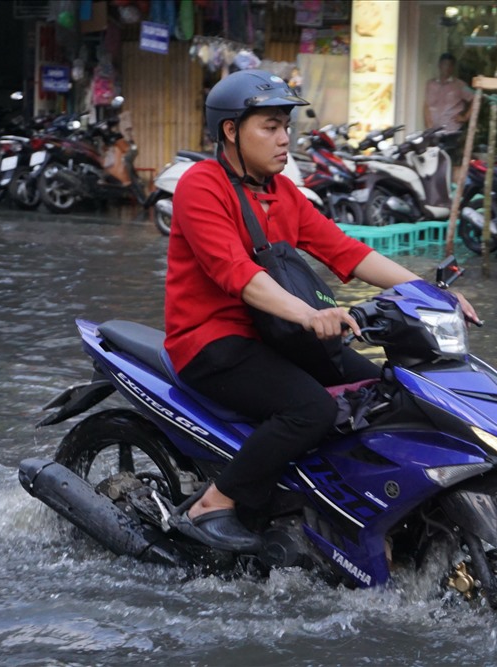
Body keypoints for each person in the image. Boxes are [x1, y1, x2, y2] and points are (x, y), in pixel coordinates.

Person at [166, 70, 478, 552]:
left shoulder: (282, 192)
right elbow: (237, 273)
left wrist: (430, 292)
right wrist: (309, 315)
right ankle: (216, 501)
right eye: (269, 127)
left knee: (383, 393)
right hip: (212, 342)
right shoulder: (200, 186)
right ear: (231, 130)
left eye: (286, 127)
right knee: (310, 408)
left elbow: (346, 251)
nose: (284, 138)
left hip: (276, 336)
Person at [423, 53, 474, 173]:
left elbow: (476, 98)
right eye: (444, 64)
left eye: (449, 65)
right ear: (439, 65)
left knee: (450, 163)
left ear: (453, 67)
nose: (446, 68)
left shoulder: (459, 85)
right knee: (433, 164)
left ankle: (451, 188)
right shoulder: (430, 84)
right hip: (433, 133)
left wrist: (465, 117)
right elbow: (426, 105)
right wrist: (428, 124)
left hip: (451, 132)